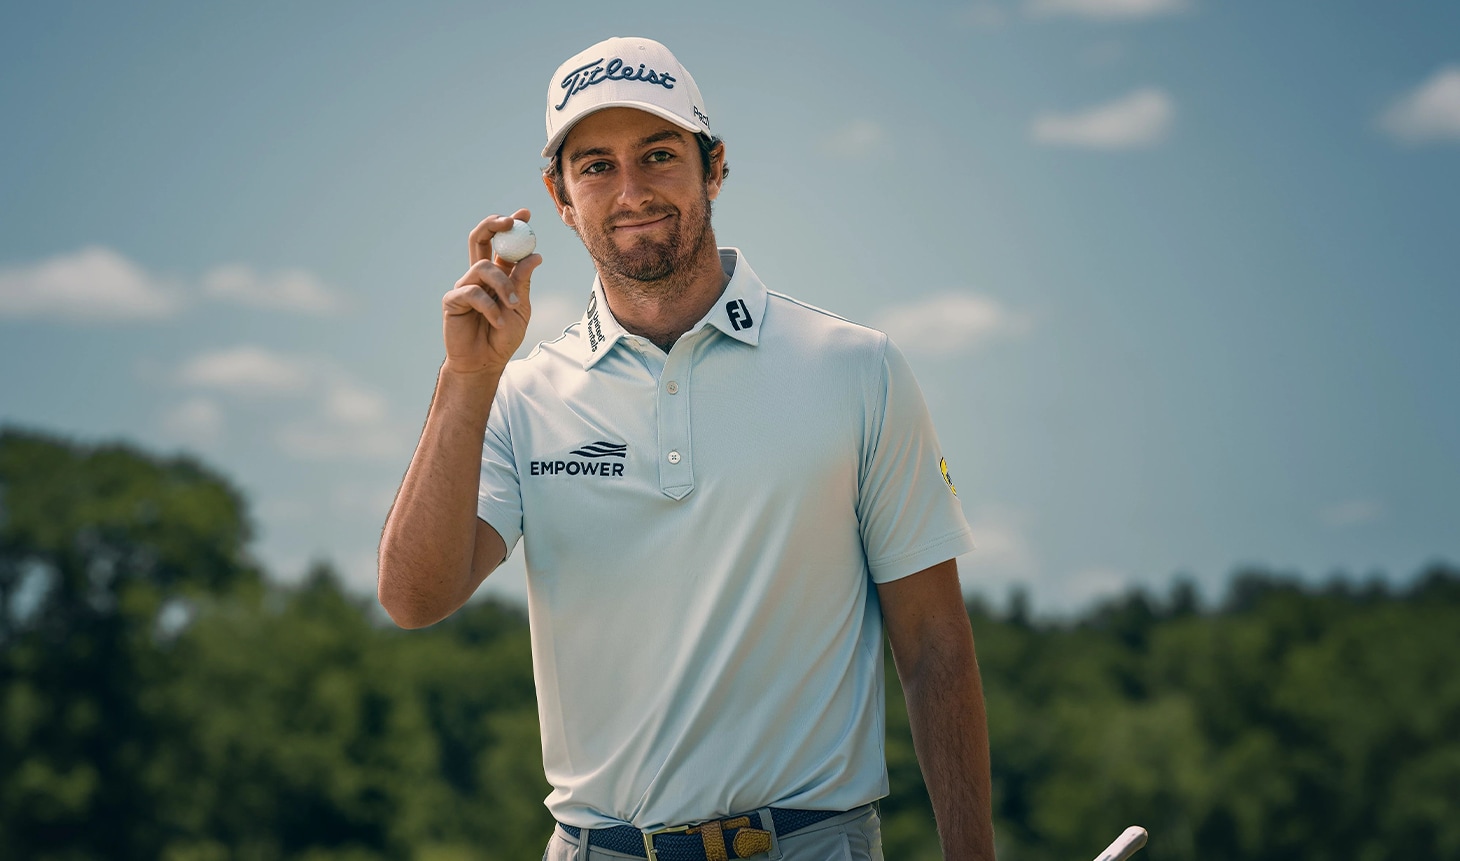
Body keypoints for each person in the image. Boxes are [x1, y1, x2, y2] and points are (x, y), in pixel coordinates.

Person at [379, 35, 995, 861]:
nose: (631, 191)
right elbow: (414, 598)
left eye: (659, 154)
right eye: (597, 166)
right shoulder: (516, 395)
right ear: (560, 198)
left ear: (714, 167)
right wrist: (467, 377)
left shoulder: (857, 367)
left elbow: (933, 643)